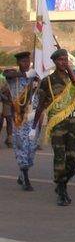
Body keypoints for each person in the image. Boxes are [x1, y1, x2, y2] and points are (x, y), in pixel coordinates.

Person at [34, 49, 75, 206]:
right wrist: (34, 128)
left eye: (66, 59)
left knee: (74, 159)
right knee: (60, 157)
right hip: (57, 124)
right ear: (55, 62)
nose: (64, 62)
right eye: (60, 60)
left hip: (73, 123)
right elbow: (41, 105)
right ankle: (61, 188)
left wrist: (72, 72)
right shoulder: (48, 81)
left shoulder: (74, 78)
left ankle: (63, 183)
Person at [6, 51, 40, 190]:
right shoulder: (14, 76)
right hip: (19, 117)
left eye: (28, 61)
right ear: (18, 63)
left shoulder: (34, 76)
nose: (26, 64)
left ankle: (22, 174)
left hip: (32, 118)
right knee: (21, 147)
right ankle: (25, 178)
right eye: (23, 61)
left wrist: (34, 77)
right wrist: (25, 74)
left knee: (31, 148)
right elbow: (7, 74)